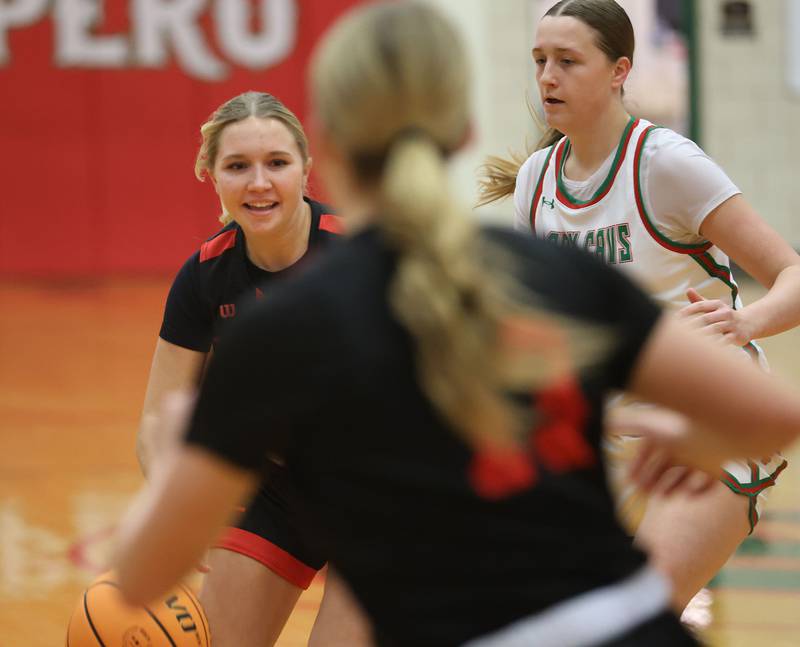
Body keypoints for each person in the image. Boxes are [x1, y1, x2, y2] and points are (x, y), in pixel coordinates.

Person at [113, 2, 800, 645]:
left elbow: (142, 578)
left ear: (325, 141)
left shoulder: (276, 332)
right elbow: (777, 416)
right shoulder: (552, 273)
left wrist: (180, 452)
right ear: (463, 132)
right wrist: (685, 425)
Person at [478, 0, 800, 617]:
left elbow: (790, 273)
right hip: (602, 438)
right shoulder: (537, 183)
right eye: (540, 60)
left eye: (568, 61)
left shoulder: (666, 164)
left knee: (632, 614)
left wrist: (745, 322)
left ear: (620, 70)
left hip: (706, 422)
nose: (547, 77)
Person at [135, 91, 370, 647]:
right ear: (209, 174)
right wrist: (179, 515)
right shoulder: (204, 276)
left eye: (277, 163)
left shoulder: (360, 257)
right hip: (278, 491)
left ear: (307, 170)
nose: (258, 183)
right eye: (237, 166)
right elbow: (156, 422)